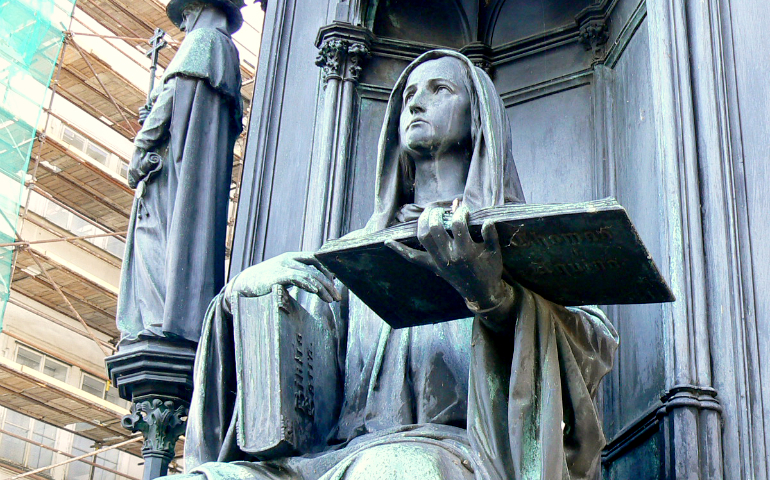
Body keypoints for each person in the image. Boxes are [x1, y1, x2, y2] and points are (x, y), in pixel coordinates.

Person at [177, 50, 619, 480]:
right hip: (336, 458)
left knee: (396, 469)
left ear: (478, 118)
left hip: (457, 453)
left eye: (439, 89)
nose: (416, 102)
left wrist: (495, 298)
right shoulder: (353, 256)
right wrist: (245, 297)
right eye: (409, 94)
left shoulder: (515, 239)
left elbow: (593, 347)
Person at [116, 0, 244, 344]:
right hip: (189, 170)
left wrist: (142, 147)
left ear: (200, 9)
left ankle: (158, 320)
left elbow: (172, 98)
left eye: (186, 13)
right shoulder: (227, 51)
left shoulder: (203, 40)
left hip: (169, 174)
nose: (184, 23)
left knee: (155, 236)